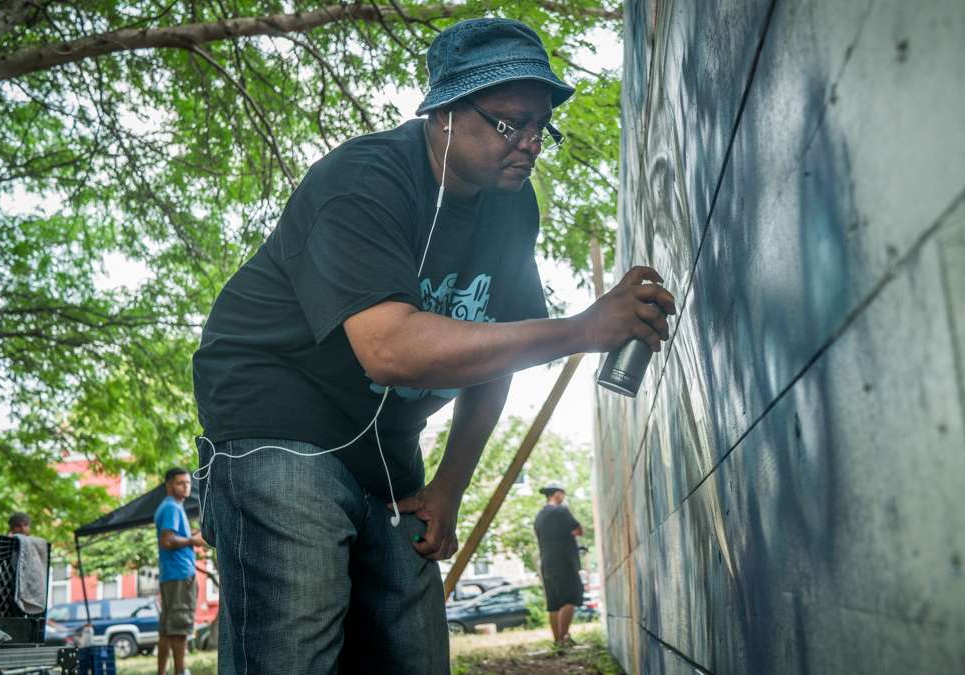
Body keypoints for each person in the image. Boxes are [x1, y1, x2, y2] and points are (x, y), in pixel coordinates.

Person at [191, 16, 675, 674]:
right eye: (511, 123)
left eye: (540, 126)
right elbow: (391, 349)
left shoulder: (512, 207)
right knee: (296, 638)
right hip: (273, 419)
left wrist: (449, 485)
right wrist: (585, 328)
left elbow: (499, 349)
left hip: (386, 455)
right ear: (445, 111)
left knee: (412, 647)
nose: (530, 143)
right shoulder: (364, 180)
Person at [154, 467, 204, 675]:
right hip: (179, 575)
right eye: (180, 483)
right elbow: (167, 540)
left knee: (166, 631)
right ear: (168, 485)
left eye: (187, 483)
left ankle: (162, 673)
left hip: (170, 575)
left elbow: (173, 536)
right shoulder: (172, 508)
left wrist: (191, 535)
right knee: (179, 629)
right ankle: (180, 672)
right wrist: (193, 539)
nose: (186, 486)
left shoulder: (168, 507)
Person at [533, 484, 584, 646]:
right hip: (564, 562)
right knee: (571, 598)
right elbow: (578, 530)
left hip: (546, 563)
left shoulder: (539, 516)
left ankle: (556, 641)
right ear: (557, 494)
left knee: (554, 603)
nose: (564, 498)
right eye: (563, 494)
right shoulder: (561, 511)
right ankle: (564, 638)